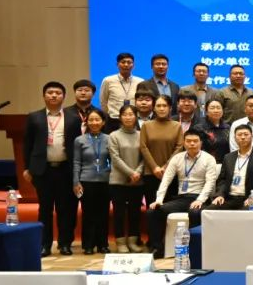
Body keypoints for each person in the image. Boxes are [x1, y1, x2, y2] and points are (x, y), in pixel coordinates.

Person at [23, 81, 81, 256]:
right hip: (43, 170)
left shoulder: (73, 117)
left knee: (66, 208)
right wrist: (27, 168)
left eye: (58, 93)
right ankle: (45, 245)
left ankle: (65, 243)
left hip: (65, 169)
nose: (54, 95)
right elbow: (27, 145)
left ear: (64, 96)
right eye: (50, 92)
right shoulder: (34, 117)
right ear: (44, 96)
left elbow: (77, 145)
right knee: (45, 209)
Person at [146, 130, 217, 258]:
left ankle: (195, 250)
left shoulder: (208, 159)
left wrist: (200, 200)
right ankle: (157, 248)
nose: (192, 144)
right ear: (184, 143)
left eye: (195, 141)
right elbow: (166, 180)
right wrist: (159, 199)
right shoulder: (177, 158)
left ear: (201, 143)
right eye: (188, 141)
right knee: (153, 212)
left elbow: (210, 182)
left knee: (195, 212)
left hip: (200, 197)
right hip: (182, 198)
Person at [72, 109, 111, 254]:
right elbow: (76, 162)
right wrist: (76, 182)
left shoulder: (109, 139)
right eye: (91, 120)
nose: (94, 123)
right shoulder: (79, 140)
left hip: (105, 181)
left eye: (97, 120)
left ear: (103, 122)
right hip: (86, 181)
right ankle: (88, 245)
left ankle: (103, 244)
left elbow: (113, 160)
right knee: (88, 214)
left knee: (103, 213)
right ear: (86, 122)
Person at [108, 105, 145, 253]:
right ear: (120, 117)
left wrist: (138, 173)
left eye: (131, 114)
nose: (128, 117)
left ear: (136, 117)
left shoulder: (142, 135)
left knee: (135, 212)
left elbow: (145, 157)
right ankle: (120, 242)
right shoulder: (114, 135)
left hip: (137, 181)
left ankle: (133, 241)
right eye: (125, 114)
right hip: (118, 181)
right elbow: (115, 158)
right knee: (119, 213)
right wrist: (131, 173)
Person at [209, 124, 253, 210]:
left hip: (250, 198)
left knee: (244, 213)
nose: (242, 137)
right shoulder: (228, 157)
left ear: (252, 136)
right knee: (209, 211)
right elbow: (222, 180)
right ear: (235, 138)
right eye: (239, 135)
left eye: (246, 134)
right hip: (229, 198)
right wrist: (220, 195)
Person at [139, 95, 183, 212]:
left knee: (170, 209)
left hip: (171, 173)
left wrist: (166, 167)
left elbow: (179, 147)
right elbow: (143, 147)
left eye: (164, 106)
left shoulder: (177, 126)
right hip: (150, 173)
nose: (161, 108)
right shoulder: (146, 125)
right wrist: (155, 168)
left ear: (170, 108)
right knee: (152, 209)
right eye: (158, 106)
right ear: (154, 108)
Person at [100, 53, 143, 127]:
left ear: (133, 65)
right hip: (113, 120)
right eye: (123, 62)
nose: (126, 65)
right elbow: (103, 101)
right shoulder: (108, 80)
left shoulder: (140, 81)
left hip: (134, 120)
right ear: (117, 64)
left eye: (129, 62)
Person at [196, 99, 230, 163]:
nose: (216, 111)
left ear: (222, 111)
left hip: (225, 163)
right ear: (206, 112)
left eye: (218, 108)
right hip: (205, 163)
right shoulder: (199, 128)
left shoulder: (228, 127)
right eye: (212, 108)